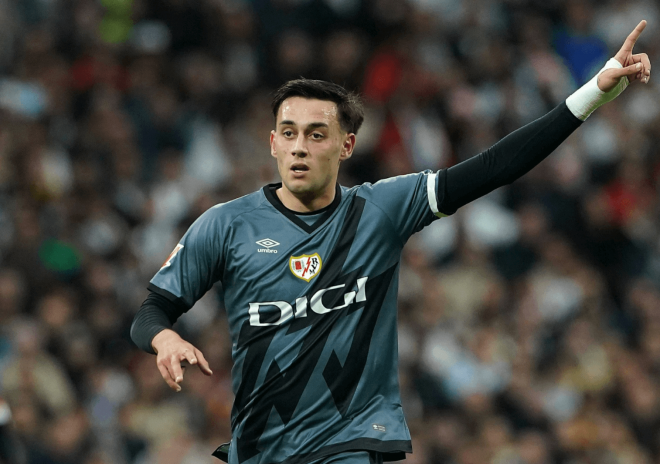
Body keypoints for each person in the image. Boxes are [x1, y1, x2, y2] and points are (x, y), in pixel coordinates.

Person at [131, 21, 651, 464]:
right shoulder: (225, 225)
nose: (299, 147)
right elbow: (152, 310)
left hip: (351, 439)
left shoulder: (380, 209)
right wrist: (165, 338)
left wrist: (593, 93)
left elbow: (494, 167)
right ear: (271, 143)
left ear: (346, 145)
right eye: (287, 133)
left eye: (316, 134)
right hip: (260, 446)